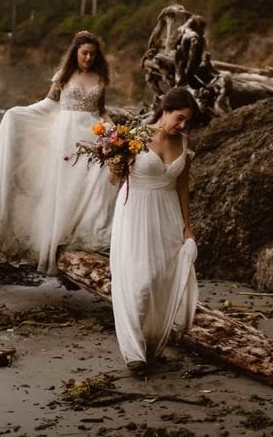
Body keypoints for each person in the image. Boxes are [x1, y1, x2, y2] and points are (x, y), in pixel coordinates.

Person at [0, 31, 120, 275]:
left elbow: (101, 110)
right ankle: (57, 235)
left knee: (93, 182)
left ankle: (85, 232)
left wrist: (113, 131)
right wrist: (19, 113)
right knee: (65, 185)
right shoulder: (63, 75)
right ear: (76, 52)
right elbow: (49, 104)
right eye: (84, 53)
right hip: (65, 135)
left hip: (91, 133)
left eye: (93, 54)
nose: (89, 57)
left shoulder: (100, 77)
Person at [109, 87, 199, 378]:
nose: (183, 126)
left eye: (187, 121)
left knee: (162, 277)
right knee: (139, 279)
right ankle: (133, 352)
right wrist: (115, 161)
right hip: (135, 213)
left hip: (167, 214)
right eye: (180, 118)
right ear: (165, 110)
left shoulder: (183, 142)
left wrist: (187, 226)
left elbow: (182, 186)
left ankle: (150, 340)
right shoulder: (135, 136)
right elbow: (113, 178)